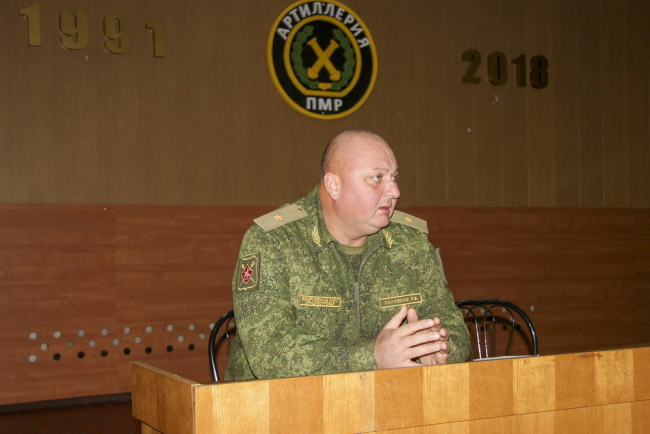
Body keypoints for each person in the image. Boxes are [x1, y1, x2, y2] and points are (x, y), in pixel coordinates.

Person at [225, 130, 469, 380]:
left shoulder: (410, 243)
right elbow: (268, 353)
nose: (395, 191)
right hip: (282, 401)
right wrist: (374, 357)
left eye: (394, 177)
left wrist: (437, 351)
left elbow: (453, 326)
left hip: (389, 398)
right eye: (377, 178)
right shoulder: (274, 241)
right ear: (334, 185)